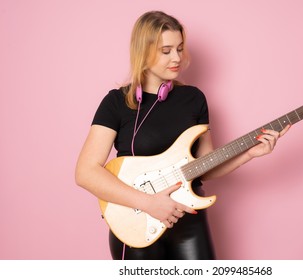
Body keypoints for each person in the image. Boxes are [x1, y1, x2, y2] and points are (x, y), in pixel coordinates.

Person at [75, 10, 290, 260]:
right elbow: (86, 171)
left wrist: (249, 154)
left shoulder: (194, 99)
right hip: (136, 221)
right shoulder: (116, 102)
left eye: (179, 48)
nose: (176, 57)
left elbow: (205, 166)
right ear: (143, 51)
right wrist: (148, 203)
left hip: (189, 218)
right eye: (166, 51)